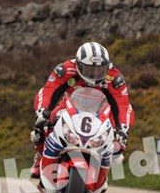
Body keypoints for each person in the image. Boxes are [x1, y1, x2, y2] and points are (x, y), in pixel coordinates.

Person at [30, 41, 135, 180]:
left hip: (102, 112)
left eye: (99, 69)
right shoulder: (65, 70)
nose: (94, 74)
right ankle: (40, 159)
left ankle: (102, 177)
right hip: (69, 106)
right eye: (89, 69)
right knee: (41, 129)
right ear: (78, 64)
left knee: (117, 146)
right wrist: (42, 111)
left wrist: (122, 127)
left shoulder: (114, 78)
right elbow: (48, 90)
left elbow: (123, 105)